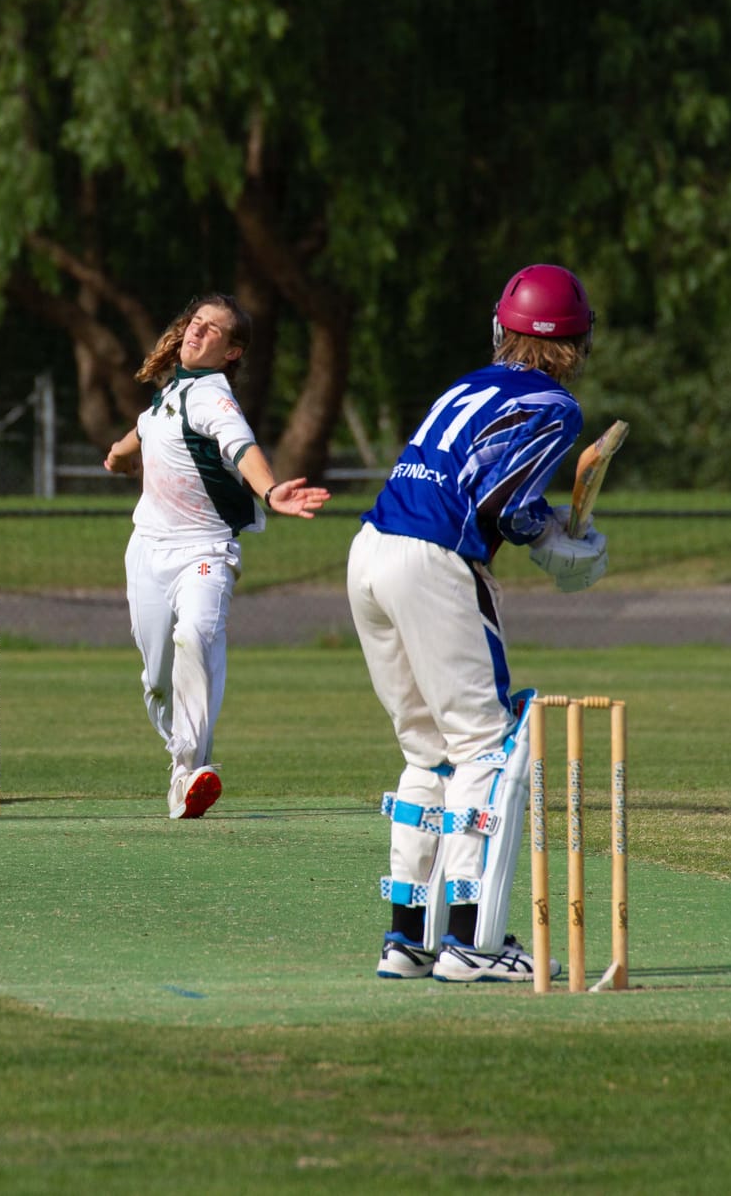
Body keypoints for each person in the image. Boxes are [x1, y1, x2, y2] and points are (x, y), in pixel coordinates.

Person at [348, 264, 609, 983]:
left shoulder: (466, 383)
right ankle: (474, 942)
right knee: (487, 749)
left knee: (426, 753)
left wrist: (545, 522)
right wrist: (557, 542)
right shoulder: (558, 406)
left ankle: (408, 938)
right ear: (577, 343)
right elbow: (501, 499)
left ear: (503, 328)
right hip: (432, 561)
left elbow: (476, 478)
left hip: (368, 551)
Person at [102, 294, 331, 818]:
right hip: (148, 549)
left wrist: (271, 492)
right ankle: (181, 759)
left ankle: (190, 770)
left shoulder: (213, 398)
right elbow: (144, 426)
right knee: (156, 679)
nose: (197, 333)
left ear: (232, 352)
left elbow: (241, 447)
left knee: (197, 635)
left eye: (213, 331)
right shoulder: (171, 393)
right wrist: (117, 455)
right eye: (195, 324)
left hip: (205, 549)